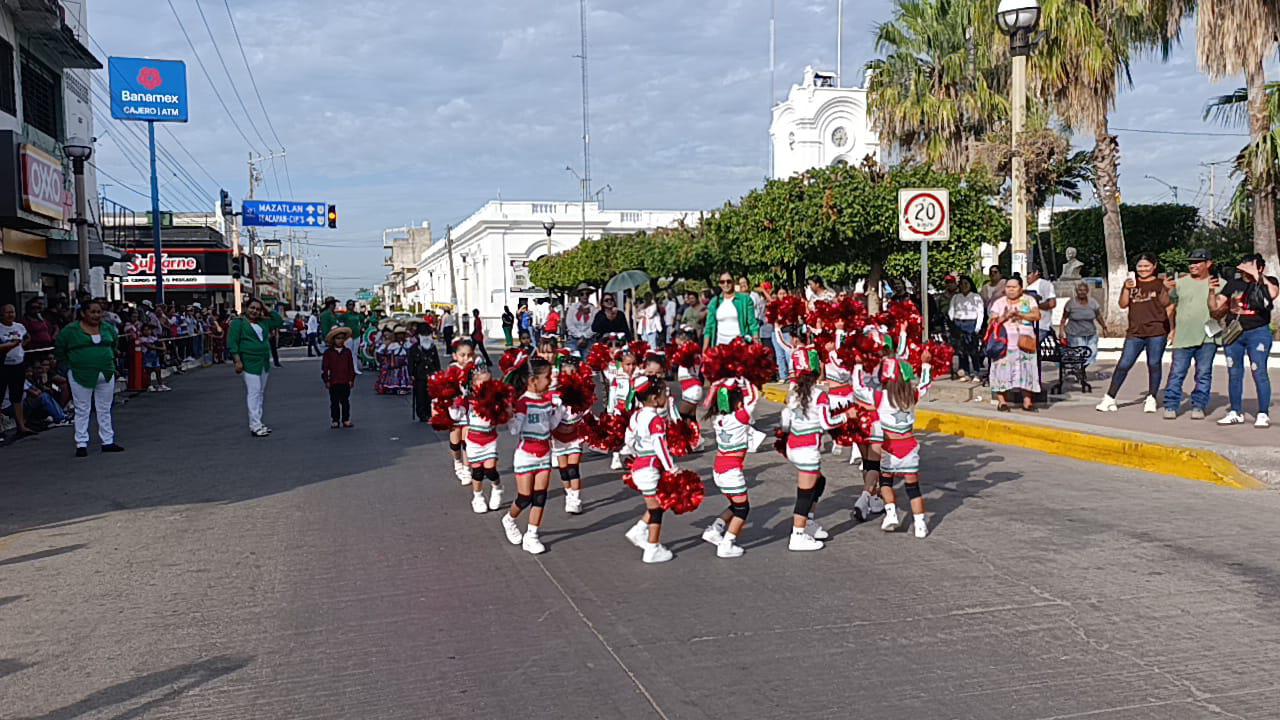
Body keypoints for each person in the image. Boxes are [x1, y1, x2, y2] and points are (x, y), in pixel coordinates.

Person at [854, 350, 934, 538]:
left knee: (886, 483)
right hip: (910, 449)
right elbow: (925, 384)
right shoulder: (911, 395)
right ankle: (920, 524)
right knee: (913, 489)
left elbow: (858, 388)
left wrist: (857, 365)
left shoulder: (880, 397)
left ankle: (891, 514)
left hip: (890, 448)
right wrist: (926, 364)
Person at [781, 347, 852, 552]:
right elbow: (827, 423)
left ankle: (809, 522)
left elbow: (785, 424)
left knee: (819, 482)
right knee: (805, 494)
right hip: (808, 451)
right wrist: (847, 416)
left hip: (794, 447)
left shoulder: (793, 393)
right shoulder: (819, 394)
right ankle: (798, 535)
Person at [1096, 254, 1172, 414]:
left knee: (1154, 364)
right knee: (1124, 364)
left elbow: (1166, 304)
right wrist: (1126, 288)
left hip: (1157, 331)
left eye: (1146, 266)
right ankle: (1110, 397)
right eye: (1140, 266)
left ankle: (1151, 397)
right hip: (1135, 332)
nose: (1143, 269)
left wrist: (1166, 289)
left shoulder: (1159, 283)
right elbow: (1123, 304)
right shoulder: (1132, 283)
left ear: (1154, 266)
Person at [500, 356, 560, 556]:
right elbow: (515, 430)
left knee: (540, 497)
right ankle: (509, 519)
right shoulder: (523, 402)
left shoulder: (547, 401)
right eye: (547, 377)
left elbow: (551, 426)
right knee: (525, 497)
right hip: (526, 455)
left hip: (544, 454)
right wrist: (510, 415)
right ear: (533, 380)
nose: (550, 380)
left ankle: (531, 535)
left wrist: (561, 410)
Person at [1210, 253, 1278, 427]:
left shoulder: (1268, 282)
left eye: (1249, 266)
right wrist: (1211, 291)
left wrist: (1257, 275)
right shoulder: (1234, 283)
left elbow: (1272, 294)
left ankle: (1263, 413)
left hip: (1258, 332)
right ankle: (1235, 411)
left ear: (1260, 268)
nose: (1244, 270)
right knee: (1234, 371)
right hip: (1235, 332)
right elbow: (1216, 306)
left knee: (1258, 370)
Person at [700, 379, 764, 558]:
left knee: (736, 505)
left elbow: (709, 402)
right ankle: (727, 543)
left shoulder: (717, 418)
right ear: (738, 403)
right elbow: (754, 397)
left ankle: (715, 529)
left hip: (719, 469)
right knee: (743, 509)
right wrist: (746, 378)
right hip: (731, 471)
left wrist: (720, 385)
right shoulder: (739, 417)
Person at [620, 375, 679, 563]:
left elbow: (628, 439)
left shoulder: (636, 416)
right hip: (650, 468)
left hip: (639, 465)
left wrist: (635, 452)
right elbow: (660, 446)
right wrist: (672, 468)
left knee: (658, 502)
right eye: (664, 393)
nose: (666, 396)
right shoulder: (655, 420)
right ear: (654, 398)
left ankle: (639, 530)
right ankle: (652, 548)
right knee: (657, 509)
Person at [54, 299, 124, 456]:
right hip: (80, 373)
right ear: (83, 313)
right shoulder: (70, 330)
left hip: (105, 372)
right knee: (82, 408)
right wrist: (71, 364)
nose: (96, 315)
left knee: (105, 408)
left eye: (99, 312)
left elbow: (114, 345)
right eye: (92, 312)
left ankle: (108, 441)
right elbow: (60, 349)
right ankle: (81, 443)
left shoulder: (107, 328)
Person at [1162, 249, 1217, 420]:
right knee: (1177, 372)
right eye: (1191, 262)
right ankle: (1171, 405)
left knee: (1203, 374)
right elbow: (1167, 305)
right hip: (1183, 337)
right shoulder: (1180, 283)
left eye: (1197, 262)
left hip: (1208, 337)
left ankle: (1199, 406)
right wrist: (1165, 290)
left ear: (1208, 264)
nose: (1193, 265)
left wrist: (1213, 292)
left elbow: (1219, 309)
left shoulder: (1217, 283)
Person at [229, 297, 281, 437]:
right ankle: (255, 425)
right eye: (252, 308)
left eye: (258, 309)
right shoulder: (238, 323)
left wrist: (266, 307)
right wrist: (237, 361)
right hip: (249, 362)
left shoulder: (264, 322)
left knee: (260, 393)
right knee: (254, 392)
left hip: (263, 361)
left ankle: (258, 422)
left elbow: (278, 321)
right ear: (246, 308)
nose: (254, 311)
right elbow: (232, 343)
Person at [988, 276, 1042, 412]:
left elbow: (1037, 315)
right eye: (1008, 287)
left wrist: (1020, 315)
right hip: (1004, 344)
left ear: (1021, 289)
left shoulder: (1028, 300)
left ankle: (1027, 402)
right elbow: (992, 322)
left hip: (1025, 342)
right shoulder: (999, 303)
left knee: (1027, 371)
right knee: (1001, 372)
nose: (1011, 290)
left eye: (1014, 287)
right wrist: (1005, 316)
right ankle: (1002, 402)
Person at [463, 364, 505, 513]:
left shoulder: (495, 399)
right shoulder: (469, 400)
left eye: (489, 382)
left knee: (490, 469)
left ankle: (497, 487)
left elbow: (502, 416)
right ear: (474, 384)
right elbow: (457, 415)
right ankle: (478, 497)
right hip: (473, 441)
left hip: (489, 440)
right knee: (477, 472)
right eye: (482, 382)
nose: (486, 386)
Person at [1, 304, 34, 438]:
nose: (10, 315)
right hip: (3, 365)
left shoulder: (19, 327)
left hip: (18, 364)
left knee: (17, 396)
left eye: (12, 312)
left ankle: (21, 426)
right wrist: (11, 345)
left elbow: (27, 337)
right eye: (7, 312)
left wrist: (20, 347)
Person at [704, 272, 760, 348]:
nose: (726, 284)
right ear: (719, 284)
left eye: (728, 281)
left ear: (733, 282)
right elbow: (708, 327)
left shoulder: (745, 300)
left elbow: (753, 324)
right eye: (722, 282)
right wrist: (705, 349)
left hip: (740, 345)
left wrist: (756, 345)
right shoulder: (715, 302)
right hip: (720, 345)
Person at [1059, 282, 1104, 373]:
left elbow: (1098, 316)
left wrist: (1104, 327)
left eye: (1084, 290)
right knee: (1078, 355)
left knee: (1092, 353)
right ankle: (1078, 369)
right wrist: (1061, 331)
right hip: (1075, 333)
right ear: (1076, 291)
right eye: (1080, 290)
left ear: (1087, 291)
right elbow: (1064, 318)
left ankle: (1080, 368)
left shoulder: (1093, 303)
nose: (1082, 292)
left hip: (1090, 333)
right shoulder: (1071, 303)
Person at [947, 276, 985, 380]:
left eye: (966, 284)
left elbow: (980, 312)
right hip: (958, 323)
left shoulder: (976, 297)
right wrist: (953, 323)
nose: (964, 286)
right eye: (962, 284)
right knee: (961, 350)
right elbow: (951, 310)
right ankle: (965, 372)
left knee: (973, 350)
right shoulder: (956, 297)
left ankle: (976, 372)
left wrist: (977, 327)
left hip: (971, 323)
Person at [321, 326, 356, 428]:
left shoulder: (347, 352)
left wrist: (351, 379)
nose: (340, 340)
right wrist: (326, 380)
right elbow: (325, 368)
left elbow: (351, 367)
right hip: (334, 381)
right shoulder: (328, 353)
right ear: (333, 340)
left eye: (342, 338)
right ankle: (335, 420)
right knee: (334, 402)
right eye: (338, 338)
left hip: (345, 380)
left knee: (345, 401)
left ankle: (346, 419)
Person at [408, 325, 441, 422]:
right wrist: (411, 374)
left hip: (431, 374)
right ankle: (422, 414)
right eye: (423, 334)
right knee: (420, 395)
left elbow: (436, 361)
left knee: (430, 395)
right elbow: (410, 362)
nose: (426, 337)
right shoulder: (414, 348)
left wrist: (438, 372)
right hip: (419, 375)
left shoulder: (432, 347)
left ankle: (429, 413)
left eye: (427, 334)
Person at [1026, 265, 1057, 341]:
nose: (1027, 276)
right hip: (1028, 326)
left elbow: (1052, 303)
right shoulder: (1028, 287)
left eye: (1029, 273)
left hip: (1041, 325)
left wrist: (1036, 305)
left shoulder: (1045, 284)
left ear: (1036, 272)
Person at [565, 290, 596, 358]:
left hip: (589, 339)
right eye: (582, 294)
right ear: (579, 295)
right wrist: (579, 335)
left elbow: (594, 325)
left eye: (587, 294)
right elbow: (569, 324)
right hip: (573, 339)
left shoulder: (594, 309)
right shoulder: (572, 308)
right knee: (571, 360)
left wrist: (584, 336)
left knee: (589, 360)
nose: (585, 296)